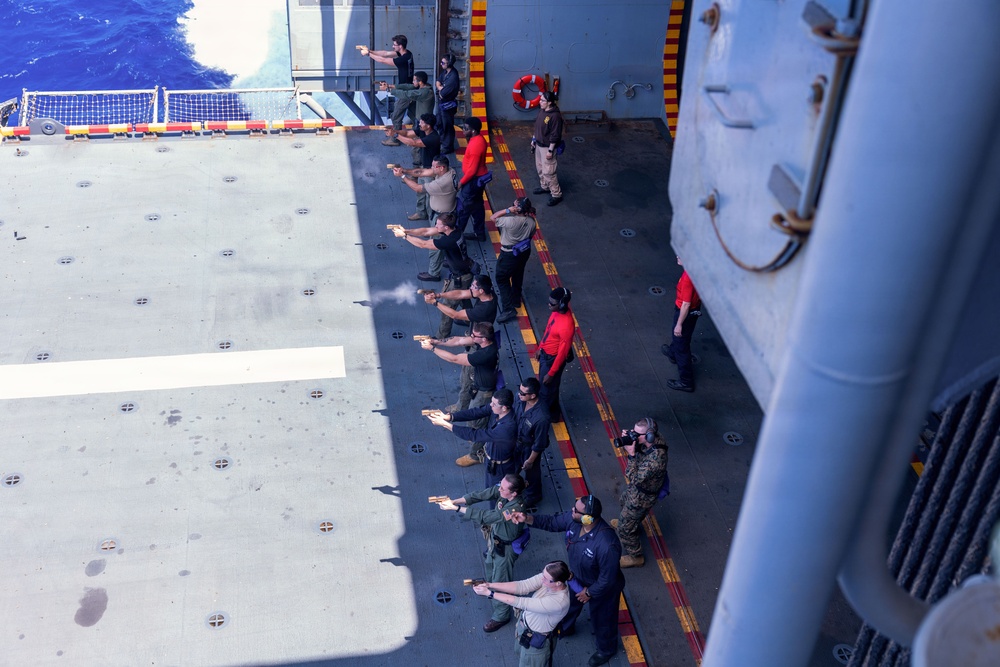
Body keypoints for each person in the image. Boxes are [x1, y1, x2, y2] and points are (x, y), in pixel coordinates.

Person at [510, 495, 625, 666]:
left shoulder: (607, 544)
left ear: (588, 518)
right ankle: (567, 628)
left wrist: (589, 592)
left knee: (603, 619)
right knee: (568, 606)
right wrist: (527, 518)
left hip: (602, 588)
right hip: (576, 577)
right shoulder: (574, 521)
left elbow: (607, 579)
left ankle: (605, 649)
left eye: (576, 510)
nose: (572, 511)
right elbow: (552, 522)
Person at [437, 474, 527, 633]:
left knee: (501, 579)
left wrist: (456, 508)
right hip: (496, 541)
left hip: (505, 549)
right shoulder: (503, 492)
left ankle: (501, 615)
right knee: (489, 566)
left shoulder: (515, 509)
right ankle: (489, 586)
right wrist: (454, 501)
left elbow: (488, 516)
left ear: (513, 494)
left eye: (503, 489)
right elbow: (482, 494)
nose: (499, 489)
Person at [422, 322, 499, 466]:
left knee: (478, 424)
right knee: (472, 415)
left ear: (483, 339)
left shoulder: (485, 354)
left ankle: (475, 454)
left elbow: (454, 359)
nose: (471, 337)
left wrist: (433, 348)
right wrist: (436, 341)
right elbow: (458, 340)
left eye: (474, 336)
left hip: (484, 393)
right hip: (479, 386)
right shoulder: (484, 341)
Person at [471, 561, 571, 666]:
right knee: (519, 653)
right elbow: (522, 586)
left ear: (558, 583)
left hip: (535, 639)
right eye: (542, 574)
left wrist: (489, 593)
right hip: (525, 628)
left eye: (545, 578)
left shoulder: (559, 602)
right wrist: (489, 585)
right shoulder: (550, 578)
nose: (542, 579)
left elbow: (521, 602)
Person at [611, 418, 668, 568]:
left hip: (643, 495)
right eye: (633, 432)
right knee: (623, 501)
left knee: (624, 529)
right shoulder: (653, 439)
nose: (634, 436)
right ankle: (632, 523)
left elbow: (634, 478)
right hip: (638, 489)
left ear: (649, 436)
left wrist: (631, 454)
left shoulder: (656, 460)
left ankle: (636, 556)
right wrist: (632, 440)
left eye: (638, 434)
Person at [429, 387, 517, 484]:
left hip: (500, 468)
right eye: (491, 402)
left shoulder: (507, 428)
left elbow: (475, 435)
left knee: (496, 493)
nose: (491, 405)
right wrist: (449, 417)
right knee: (488, 488)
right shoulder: (497, 409)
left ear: (504, 408)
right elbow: (476, 412)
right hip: (490, 459)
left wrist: (445, 424)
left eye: (494, 404)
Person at [394, 156, 458, 280]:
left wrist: (402, 177)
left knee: (435, 247)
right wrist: (404, 170)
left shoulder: (441, 183)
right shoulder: (450, 171)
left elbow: (418, 188)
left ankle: (434, 273)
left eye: (434, 166)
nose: (432, 168)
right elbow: (422, 172)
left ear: (441, 168)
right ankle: (447, 258)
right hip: (442, 212)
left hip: (442, 216)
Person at [396, 211, 473, 297]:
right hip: (464, 267)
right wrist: (406, 231)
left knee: (448, 304)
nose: (436, 226)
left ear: (446, 227)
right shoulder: (455, 229)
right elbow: (426, 231)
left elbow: (423, 244)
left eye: (438, 224)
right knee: (463, 299)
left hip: (460, 277)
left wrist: (404, 236)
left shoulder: (449, 241)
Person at [387, 113, 441, 221]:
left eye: (422, 122)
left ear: (428, 125)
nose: (419, 124)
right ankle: (421, 213)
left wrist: (395, 135)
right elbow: (407, 133)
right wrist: (395, 131)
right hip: (423, 166)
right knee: (420, 192)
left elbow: (414, 142)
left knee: (429, 195)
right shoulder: (423, 130)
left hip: (430, 170)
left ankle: (432, 219)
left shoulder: (433, 138)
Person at [492, 197, 537, 322]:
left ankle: (508, 309)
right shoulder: (532, 221)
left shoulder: (510, 221)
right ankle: (516, 299)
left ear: (516, 209)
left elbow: (493, 217)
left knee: (502, 279)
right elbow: (531, 235)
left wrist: (507, 210)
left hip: (508, 254)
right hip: (523, 251)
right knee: (518, 273)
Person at [661, 256, 701, 392]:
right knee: (680, 338)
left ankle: (686, 381)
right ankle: (672, 353)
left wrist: (679, 324)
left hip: (685, 313)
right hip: (694, 310)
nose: (677, 255)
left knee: (681, 345)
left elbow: (686, 304)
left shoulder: (687, 278)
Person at [361, 35, 413, 134]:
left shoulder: (402, 59)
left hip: (405, 91)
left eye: (395, 45)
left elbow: (383, 60)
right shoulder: (407, 53)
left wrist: (368, 54)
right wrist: (370, 51)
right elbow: (385, 53)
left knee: (396, 116)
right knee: (412, 114)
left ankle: (396, 138)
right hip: (406, 87)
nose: (393, 46)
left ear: (400, 46)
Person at [535, 287, 574, 416]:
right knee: (549, 388)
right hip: (545, 354)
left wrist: (551, 373)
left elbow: (563, 353)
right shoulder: (555, 312)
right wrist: (541, 347)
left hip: (552, 359)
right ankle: (553, 412)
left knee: (546, 390)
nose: (549, 305)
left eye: (552, 303)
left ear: (562, 304)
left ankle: (545, 416)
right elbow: (548, 329)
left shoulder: (567, 326)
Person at [424, 273, 496, 341]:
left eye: (474, 286)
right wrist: (438, 295)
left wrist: (434, 303)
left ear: (481, 291)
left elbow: (455, 315)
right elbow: (461, 294)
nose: (471, 287)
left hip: (480, 338)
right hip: (478, 322)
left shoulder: (483, 310)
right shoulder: (489, 293)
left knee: (471, 350)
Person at [513, 377, 550, 509]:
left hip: (529, 448)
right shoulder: (521, 400)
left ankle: (533, 495)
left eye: (523, 393)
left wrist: (530, 460)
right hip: (516, 442)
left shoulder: (542, 417)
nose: (519, 394)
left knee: (532, 473)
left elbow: (539, 443)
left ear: (533, 395)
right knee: (514, 467)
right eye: (519, 390)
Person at [381, 71, 434, 154]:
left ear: (420, 82)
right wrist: (390, 86)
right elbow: (408, 86)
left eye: (414, 80)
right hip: (420, 119)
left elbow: (407, 94)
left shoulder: (423, 92)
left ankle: (419, 162)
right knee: (412, 137)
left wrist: (389, 90)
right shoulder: (424, 87)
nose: (413, 82)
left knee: (416, 146)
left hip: (423, 122)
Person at [457, 117, 490, 241]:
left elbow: (472, 170)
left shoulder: (476, 145)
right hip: (477, 180)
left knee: (464, 208)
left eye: (466, 129)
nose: (463, 131)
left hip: (472, 182)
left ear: (474, 131)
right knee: (477, 206)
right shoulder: (477, 139)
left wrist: (461, 182)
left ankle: (456, 236)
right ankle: (479, 233)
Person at [531, 92, 564, 206]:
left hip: (547, 147)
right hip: (539, 145)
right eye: (540, 100)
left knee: (549, 172)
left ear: (549, 102)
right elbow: (537, 127)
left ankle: (556, 194)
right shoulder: (542, 111)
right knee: (540, 168)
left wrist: (550, 150)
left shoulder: (555, 116)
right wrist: (534, 139)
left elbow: (555, 135)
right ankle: (545, 186)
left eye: (542, 100)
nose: (540, 102)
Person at [435, 53, 460, 154]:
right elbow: (438, 81)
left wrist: (441, 90)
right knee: (440, 123)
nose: (441, 64)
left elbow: (444, 94)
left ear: (449, 63)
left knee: (447, 125)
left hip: (448, 105)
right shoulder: (446, 72)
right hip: (442, 104)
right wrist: (440, 88)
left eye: (443, 63)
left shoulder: (453, 77)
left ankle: (448, 147)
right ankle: (443, 141)